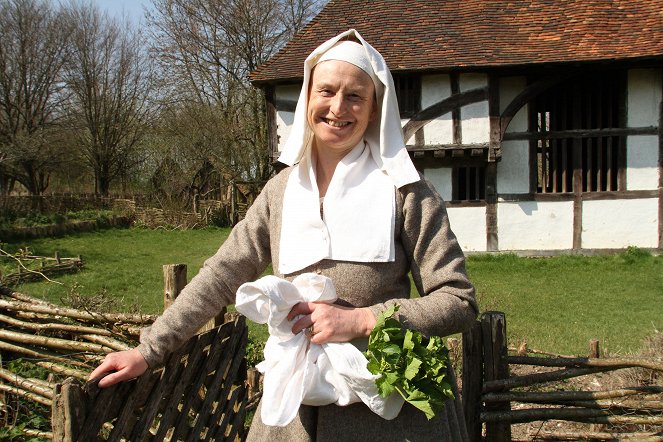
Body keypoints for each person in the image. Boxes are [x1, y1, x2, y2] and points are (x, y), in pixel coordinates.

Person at [90, 28, 478, 441]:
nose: (337, 107)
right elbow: (221, 274)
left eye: (355, 96)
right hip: (294, 409)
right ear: (308, 96)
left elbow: (458, 301)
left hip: (389, 415)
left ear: (373, 108)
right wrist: (149, 350)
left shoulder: (406, 191)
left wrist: (364, 319)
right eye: (326, 91)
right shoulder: (280, 192)